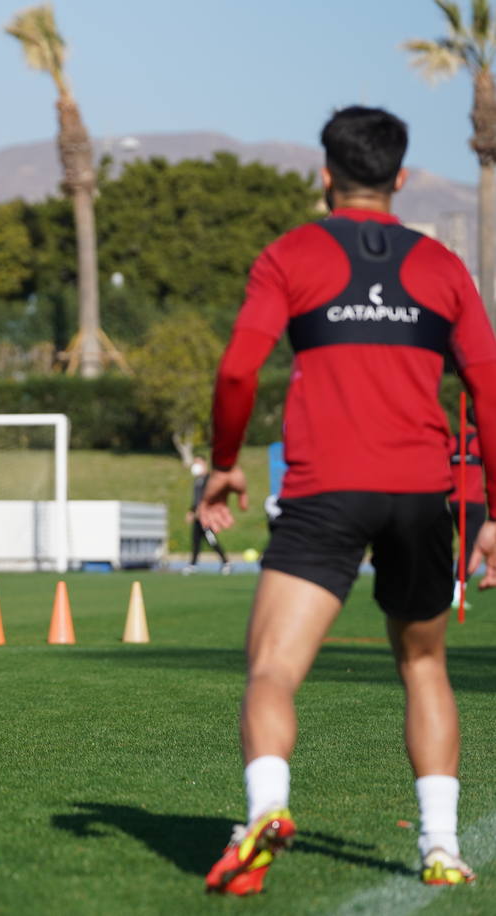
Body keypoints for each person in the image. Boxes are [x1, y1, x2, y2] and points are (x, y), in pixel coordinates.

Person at [199, 107, 496, 894]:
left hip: (326, 490)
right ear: (399, 178)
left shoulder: (291, 254)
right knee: (425, 664)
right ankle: (440, 846)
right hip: (422, 495)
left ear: (324, 174)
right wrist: (495, 509)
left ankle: (268, 811)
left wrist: (224, 464)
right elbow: (490, 387)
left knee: (272, 668)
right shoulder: (441, 267)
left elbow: (235, 373)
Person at [448, 410, 485, 609]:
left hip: (453, 501)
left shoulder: (453, 440)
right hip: (474, 502)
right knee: (471, 546)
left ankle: (454, 589)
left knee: (464, 545)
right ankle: (457, 592)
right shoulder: (481, 441)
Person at [185, 456, 230, 574]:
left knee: (211, 540)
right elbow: (196, 499)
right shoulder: (197, 480)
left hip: (206, 517)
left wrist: (204, 510)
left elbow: (210, 497)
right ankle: (193, 564)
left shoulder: (209, 479)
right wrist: (191, 511)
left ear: (204, 464)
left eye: (197, 462)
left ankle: (226, 562)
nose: (195, 465)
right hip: (197, 517)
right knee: (196, 540)